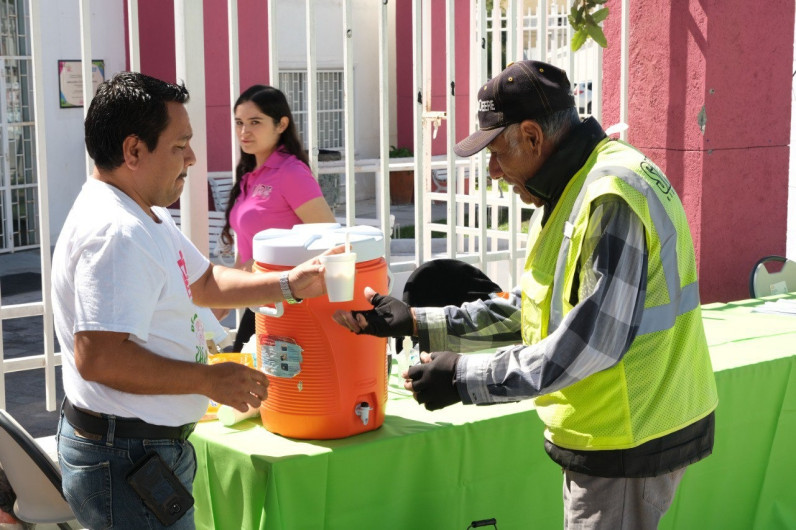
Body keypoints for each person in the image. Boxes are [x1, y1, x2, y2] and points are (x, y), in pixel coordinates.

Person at [333, 60, 718, 529]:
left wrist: (463, 379)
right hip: (615, 428)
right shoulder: (569, 187)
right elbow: (534, 308)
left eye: (497, 152)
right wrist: (419, 322)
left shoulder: (610, 195)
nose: (493, 171)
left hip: (629, 435)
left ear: (533, 137)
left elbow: (589, 345)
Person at [51, 72, 338, 529]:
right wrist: (208, 379)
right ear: (133, 151)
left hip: (141, 451)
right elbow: (100, 358)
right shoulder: (116, 232)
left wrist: (288, 285)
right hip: (125, 456)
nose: (193, 158)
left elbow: (204, 283)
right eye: (179, 145)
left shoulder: (145, 213)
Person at [219, 84, 335, 352]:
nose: (244, 132)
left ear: (281, 124)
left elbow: (328, 238)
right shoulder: (251, 176)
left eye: (255, 122)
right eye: (239, 122)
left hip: (289, 301)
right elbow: (245, 250)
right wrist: (225, 297)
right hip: (260, 298)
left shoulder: (291, 173)